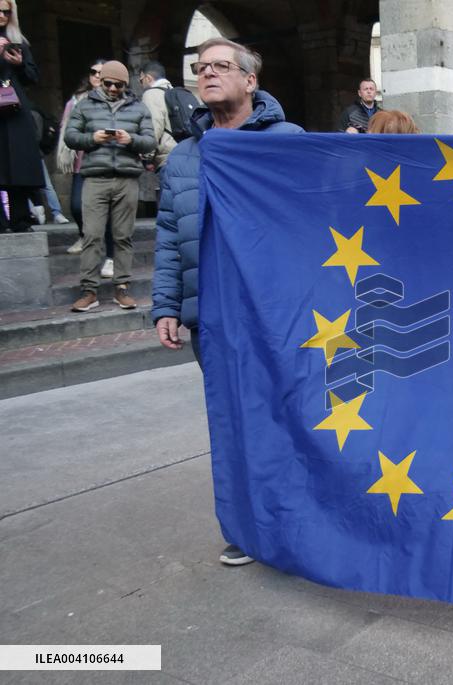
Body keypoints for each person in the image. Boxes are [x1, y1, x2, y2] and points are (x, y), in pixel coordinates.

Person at [151, 37, 303, 567]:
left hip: (278, 318)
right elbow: (169, 236)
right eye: (200, 68)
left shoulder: (287, 141)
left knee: (287, 415)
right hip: (212, 319)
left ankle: (298, 518)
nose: (208, 74)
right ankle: (245, 528)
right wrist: (167, 305)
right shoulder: (185, 157)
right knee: (233, 420)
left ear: (250, 81)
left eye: (221, 66)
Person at [64, 60, 155, 312]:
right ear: (100, 81)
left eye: (119, 84)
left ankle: (122, 287)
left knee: (123, 236)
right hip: (94, 178)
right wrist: (92, 139)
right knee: (91, 235)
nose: (114, 88)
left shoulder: (138, 107)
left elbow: (150, 141)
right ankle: (89, 291)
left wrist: (131, 139)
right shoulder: (85, 105)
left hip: (127, 179)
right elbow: (70, 137)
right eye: (108, 83)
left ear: (126, 84)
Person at [56, 60, 116, 270]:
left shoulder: (117, 100)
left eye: (102, 73)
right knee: (76, 206)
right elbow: (67, 129)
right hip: (83, 162)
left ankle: (110, 257)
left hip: (107, 163)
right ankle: (84, 236)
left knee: (108, 213)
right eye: (93, 72)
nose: (97, 76)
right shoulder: (76, 102)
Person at [0, 0, 43, 234]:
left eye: (7, 11)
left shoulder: (18, 41)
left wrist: (17, 64)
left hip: (14, 109)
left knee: (18, 164)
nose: (3, 15)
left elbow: (33, 77)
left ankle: (20, 219)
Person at [138, 61, 178, 172]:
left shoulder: (151, 94)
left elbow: (154, 128)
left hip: (167, 159)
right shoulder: (174, 92)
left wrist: (147, 158)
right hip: (184, 154)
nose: (141, 85)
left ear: (148, 78)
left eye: (141, 80)